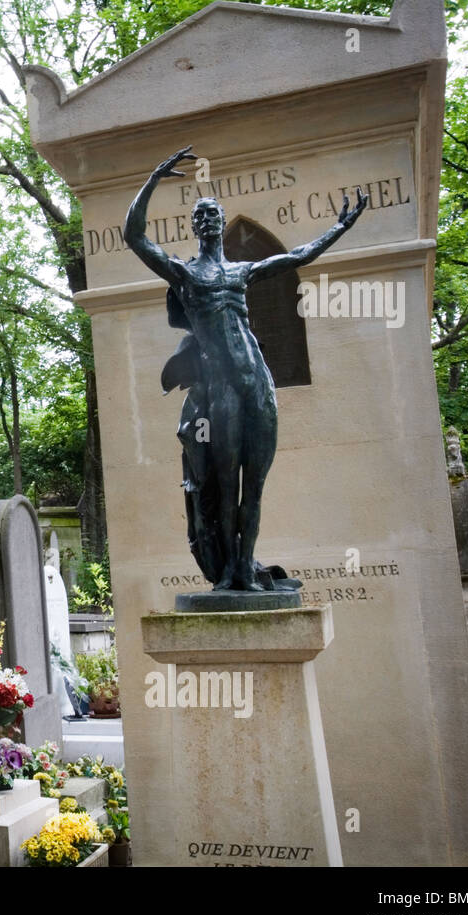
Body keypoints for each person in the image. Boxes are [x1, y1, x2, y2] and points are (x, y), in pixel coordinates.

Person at [124, 146, 367, 591]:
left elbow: (297, 257)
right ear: (195, 227)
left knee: (254, 486)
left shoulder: (242, 271)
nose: (211, 221)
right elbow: (135, 236)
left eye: (215, 215)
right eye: (203, 217)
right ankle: (227, 572)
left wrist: (339, 227)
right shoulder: (184, 274)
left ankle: (245, 568)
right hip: (220, 392)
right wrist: (155, 176)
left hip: (257, 383)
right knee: (224, 485)